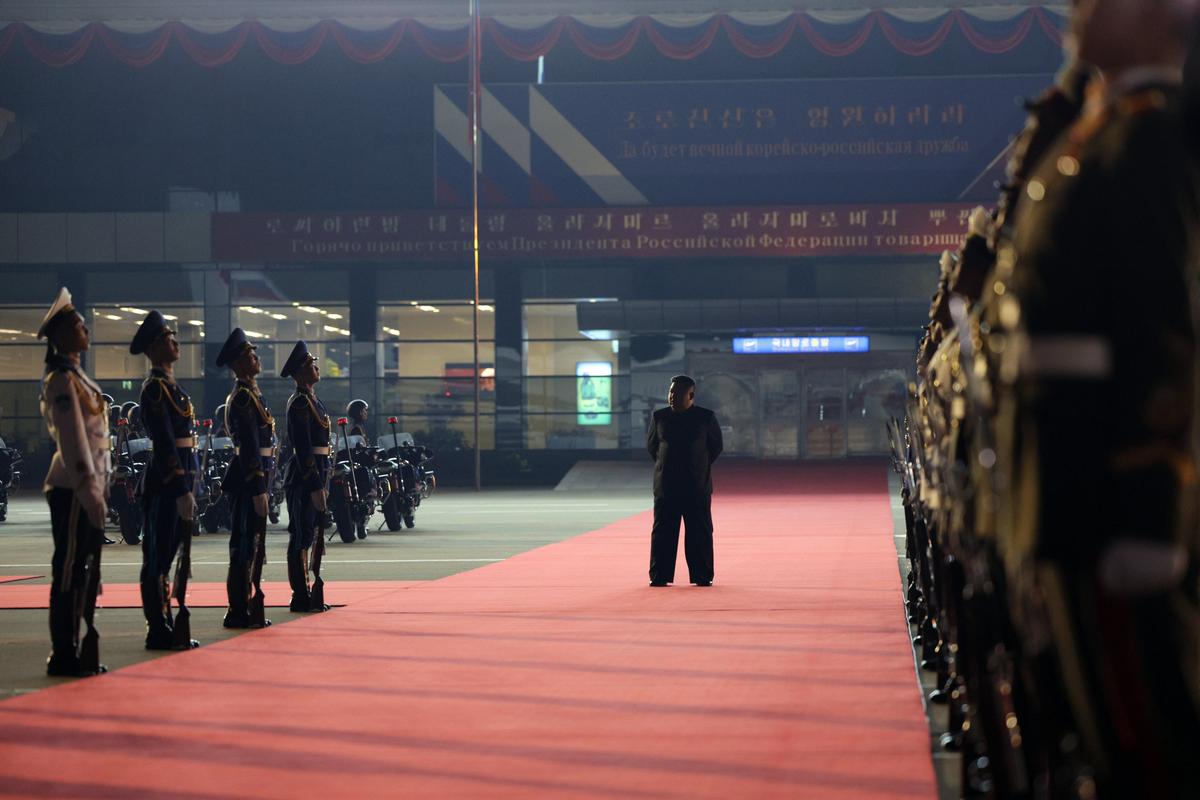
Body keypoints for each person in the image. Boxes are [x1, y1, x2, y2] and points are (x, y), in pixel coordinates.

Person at [1000, 0, 1200, 795]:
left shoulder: (1149, 138)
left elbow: (1164, 333)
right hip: (1067, 481)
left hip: (1110, 490)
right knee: (1108, 731)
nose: (1078, 11)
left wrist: (1150, 511)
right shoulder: (1100, 135)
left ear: (1164, 15)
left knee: (1147, 738)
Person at [37, 287, 110, 676]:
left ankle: (76, 645)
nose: (86, 329)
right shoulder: (61, 381)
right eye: (79, 325)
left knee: (81, 567)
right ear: (61, 335)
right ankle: (63, 651)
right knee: (67, 568)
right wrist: (89, 488)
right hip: (72, 488)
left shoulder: (77, 377)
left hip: (89, 487)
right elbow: (74, 442)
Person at [130, 310, 200, 650]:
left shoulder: (173, 387)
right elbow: (166, 443)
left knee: (170, 555)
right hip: (164, 485)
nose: (175, 342)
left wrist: (192, 483)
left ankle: (167, 621)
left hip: (181, 481)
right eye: (168, 338)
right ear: (155, 347)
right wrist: (181, 486)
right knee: (157, 559)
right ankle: (157, 627)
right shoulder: (154, 390)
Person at [216, 328, 275, 629]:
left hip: (256, 477)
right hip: (246, 480)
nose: (256, 358)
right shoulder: (241, 398)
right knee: (242, 545)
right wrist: (258, 486)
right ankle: (237, 609)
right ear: (239, 364)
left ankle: (246, 605)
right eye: (250, 355)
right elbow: (249, 445)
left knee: (253, 545)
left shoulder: (252, 395)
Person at [645, 375, 723, 586]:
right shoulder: (659, 417)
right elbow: (653, 448)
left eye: (677, 393)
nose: (672, 397)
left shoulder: (705, 418)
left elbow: (715, 447)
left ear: (691, 395)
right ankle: (659, 575)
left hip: (697, 486)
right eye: (670, 392)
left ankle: (702, 575)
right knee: (662, 533)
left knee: (700, 532)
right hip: (666, 487)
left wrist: (698, 467)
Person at [280, 340, 331, 612]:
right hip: (303, 478)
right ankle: (299, 593)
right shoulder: (300, 403)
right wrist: (314, 484)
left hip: (318, 474)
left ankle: (308, 589)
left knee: (310, 533)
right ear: (300, 372)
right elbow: (303, 448)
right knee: (300, 534)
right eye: (312, 365)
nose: (316, 367)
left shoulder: (311, 399)